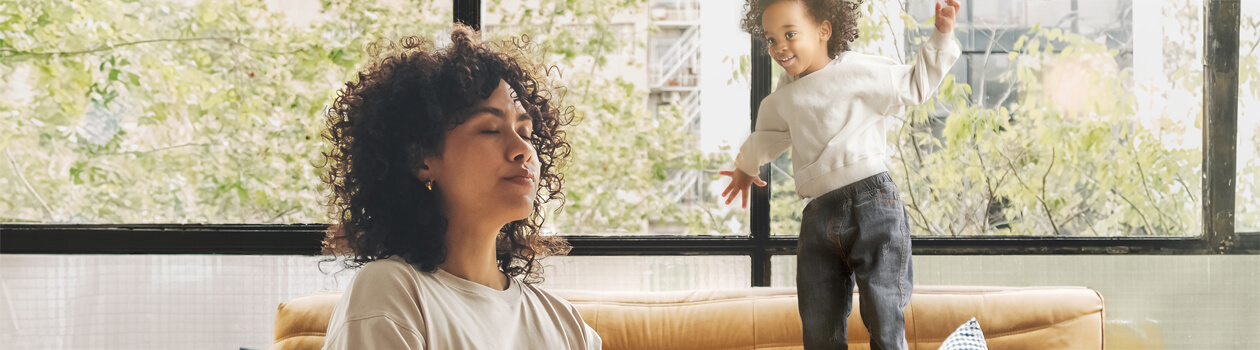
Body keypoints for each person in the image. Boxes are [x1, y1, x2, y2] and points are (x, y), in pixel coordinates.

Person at [319, 24, 600, 349]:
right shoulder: (391, 292)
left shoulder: (565, 323)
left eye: (525, 132)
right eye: (490, 129)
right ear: (421, 159)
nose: (523, 149)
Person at [720, 1, 961, 349]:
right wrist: (745, 167)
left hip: (873, 204)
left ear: (824, 30)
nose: (779, 47)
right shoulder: (782, 99)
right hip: (818, 216)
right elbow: (764, 140)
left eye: (790, 34)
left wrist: (941, 35)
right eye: (771, 39)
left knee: (884, 314)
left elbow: (915, 84)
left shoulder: (857, 70)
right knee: (819, 323)